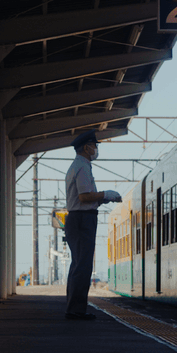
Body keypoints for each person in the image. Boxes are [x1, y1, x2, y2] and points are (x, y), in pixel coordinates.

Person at [63, 130, 120, 320]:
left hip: (79, 218)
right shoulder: (82, 166)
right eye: (94, 146)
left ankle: (74, 308)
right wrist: (105, 194)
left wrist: (102, 200)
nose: (96, 149)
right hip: (82, 220)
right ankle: (76, 310)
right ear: (87, 147)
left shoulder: (77, 166)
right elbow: (84, 196)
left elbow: (85, 197)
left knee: (79, 264)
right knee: (83, 265)